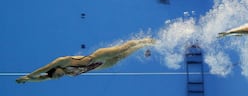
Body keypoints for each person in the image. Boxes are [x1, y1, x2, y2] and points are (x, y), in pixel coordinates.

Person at [16, 38, 156, 83]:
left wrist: (29, 75)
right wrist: (29, 80)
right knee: (121, 57)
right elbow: (43, 78)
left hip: (97, 57)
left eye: (57, 74)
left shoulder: (62, 61)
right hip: (99, 66)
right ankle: (143, 45)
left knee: (121, 49)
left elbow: (45, 69)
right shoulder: (57, 74)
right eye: (58, 77)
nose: (60, 76)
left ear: (55, 68)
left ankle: (144, 40)